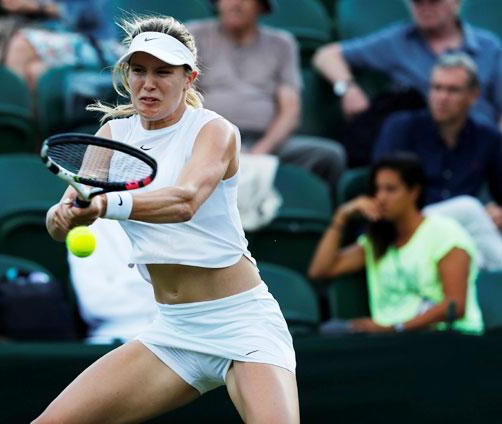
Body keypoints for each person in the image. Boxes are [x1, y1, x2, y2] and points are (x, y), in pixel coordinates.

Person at [38, 15, 299, 423]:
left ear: (188, 78)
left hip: (243, 323)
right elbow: (63, 216)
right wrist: (63, 216)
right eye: (138, 71)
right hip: (174, 330)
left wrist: (105, 207)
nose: (149, 83)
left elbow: (185, 201)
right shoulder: (112, 136)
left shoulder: (215, 131)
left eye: (163, 72)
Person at [308, 153, 484, 335]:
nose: (381, 198)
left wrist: (394, 328)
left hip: (443, 337)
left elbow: (455, 306)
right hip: (390, 340)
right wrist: (342, 215)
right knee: (330, 330)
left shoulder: (446, 233)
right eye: (377, 190)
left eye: (390, 189)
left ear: (414, 192)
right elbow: (320, 270)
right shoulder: (377, 241)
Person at [188, 0, 346, 194]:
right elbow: (184, 98)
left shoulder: (282, 43)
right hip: (207, 138)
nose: (235, 4)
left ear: (261, 7)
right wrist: (223, 145)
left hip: (264, 142)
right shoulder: (194, 35)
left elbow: (290, 110)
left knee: (330, 156)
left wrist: (259, 153)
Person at [374, 53, 502, 270]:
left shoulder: (487, 137)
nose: (442, 97)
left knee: (475, 259)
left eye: (453, 90)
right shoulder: (401, 127)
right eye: (436, 88)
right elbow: (382, 189)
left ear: (473, 95)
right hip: (406, 225)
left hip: (456, 232)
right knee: (469, 208)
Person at [313, 0, 502, 127]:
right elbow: (326, 55)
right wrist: (347, 87)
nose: (425, 7)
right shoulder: (397, 41)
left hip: (481, 146)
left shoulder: (489, 47)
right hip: (422, 147)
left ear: (457, 2)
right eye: (418, 1)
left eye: (434, 1)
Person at [68, 219, 157, 344]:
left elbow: (185, 296)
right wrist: (156, 291)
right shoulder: (90, 224)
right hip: (109, 339)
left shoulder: (176, 215)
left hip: (174, 337)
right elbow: (95, 304)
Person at [3, 0, 120, 91]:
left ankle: (9, 117)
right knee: (35, 71)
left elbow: (87, 14)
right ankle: (25, 119)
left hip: (98, 44)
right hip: (62, 40)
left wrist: (36, 7)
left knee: (21, 44)